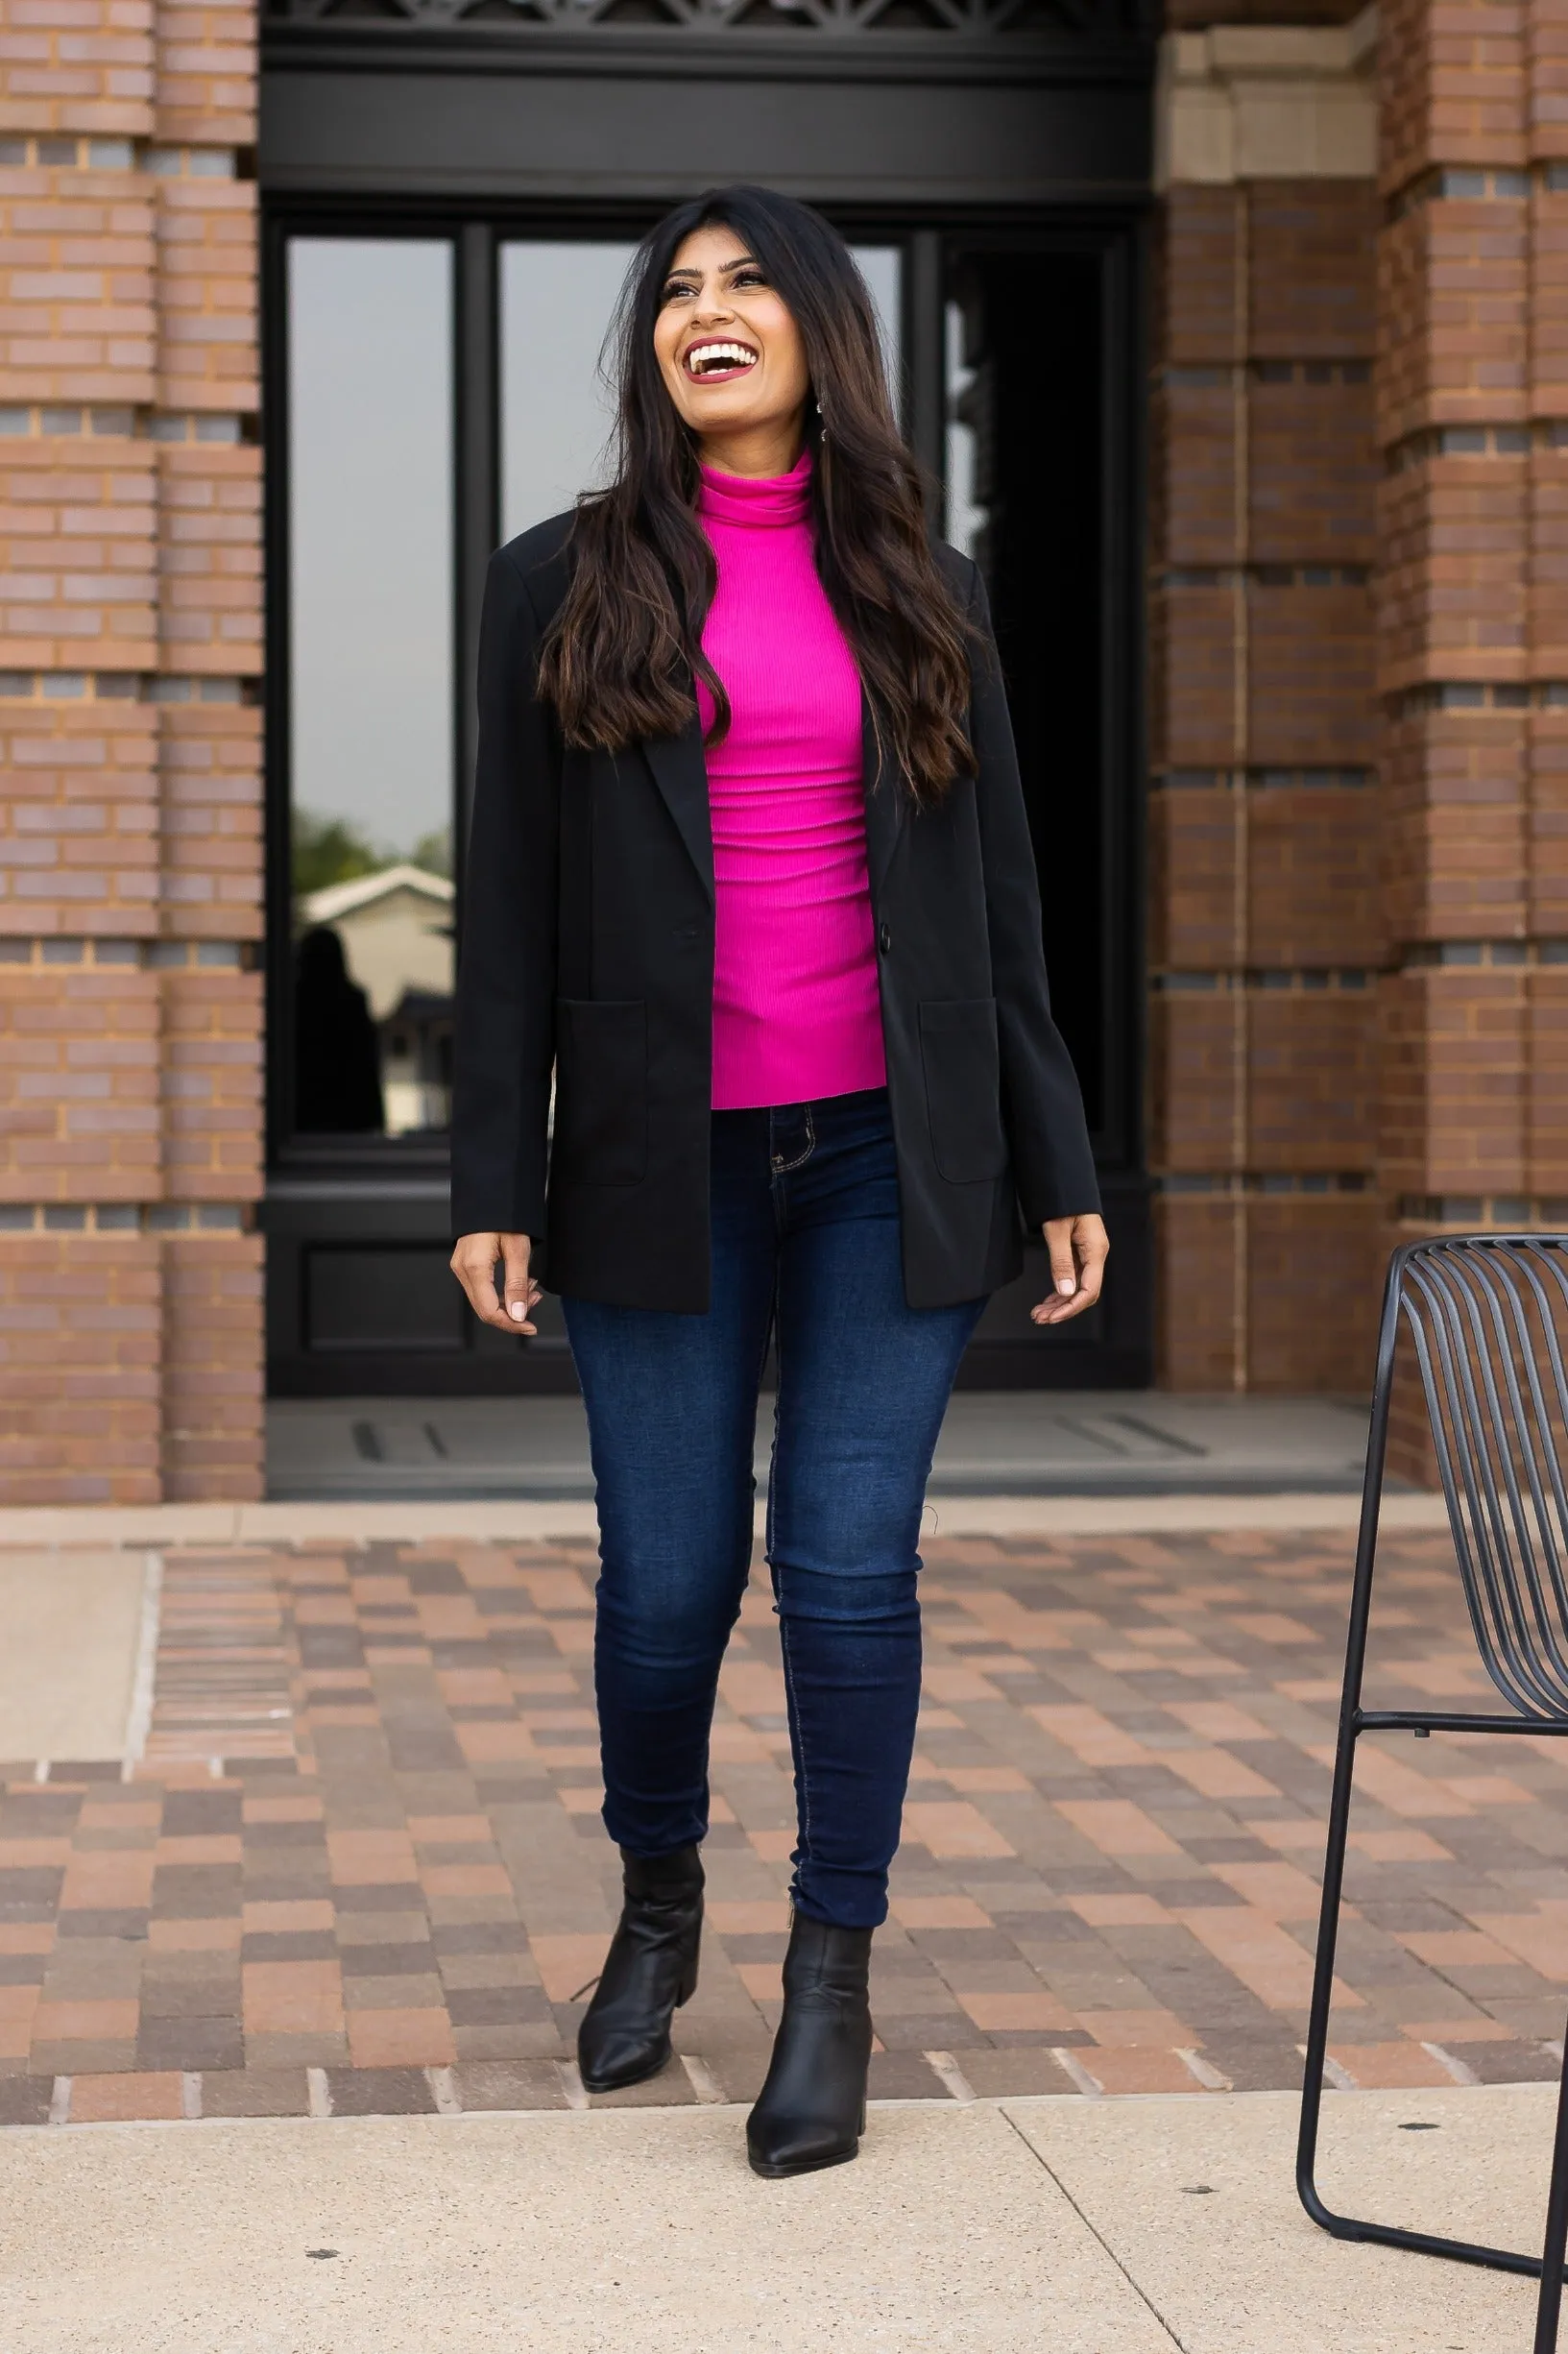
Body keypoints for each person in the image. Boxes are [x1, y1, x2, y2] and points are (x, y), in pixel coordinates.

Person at [449, 183, 1108, 2179]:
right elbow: (503, 905)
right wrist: (497, 1167)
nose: (706, 312)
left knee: (846, 1572)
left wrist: (1057, 1152)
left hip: (887, 1160)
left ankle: (834, 1976)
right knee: (665, 1585)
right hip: (662, 1164)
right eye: (676, 291)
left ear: (823, 330)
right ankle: (661, 1904)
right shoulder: (555, 580)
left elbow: (999, 907)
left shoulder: (928, 584)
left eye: (747, 284)